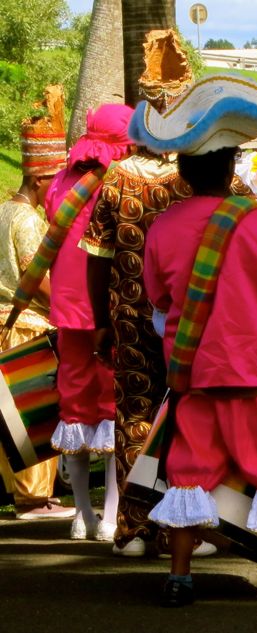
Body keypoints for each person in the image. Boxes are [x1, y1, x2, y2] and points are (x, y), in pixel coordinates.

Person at [133, 74, 257, 607]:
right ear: (230, 168)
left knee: (187, 474)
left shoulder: (163, 227)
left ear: (183, 171)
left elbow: (158, 297)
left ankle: (179, 576)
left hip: (193, 372)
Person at [79, 29, 213, 557]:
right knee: (188, 413)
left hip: (130, 312)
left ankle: (134, 528)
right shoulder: (207, 176)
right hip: (194, 315)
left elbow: (98, 257)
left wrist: (100, 320)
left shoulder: (118, 176)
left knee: (135, 413)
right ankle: (186, 527)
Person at [43, 104, 135, 540]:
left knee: (74, 407)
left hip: (67, 309)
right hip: (110, 307)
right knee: (115, 409)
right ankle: (113, 515)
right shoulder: (120, 181)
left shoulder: (62, 181)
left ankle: (82, 515)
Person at [0, 87, 74, 520]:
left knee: (9, 415)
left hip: (5, 321)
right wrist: (66, 310)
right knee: (36, 414)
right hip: (27, 322)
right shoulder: (28, 219)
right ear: (41, 180)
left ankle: (21, 494)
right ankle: (34, 498)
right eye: (54, 183)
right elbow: (34, 275)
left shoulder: (3, 210)